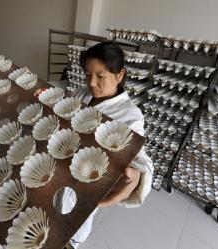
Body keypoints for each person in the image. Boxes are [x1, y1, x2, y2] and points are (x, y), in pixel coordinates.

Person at [62, 41, 154, 248]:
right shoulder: (81, 94)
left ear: (120, 75)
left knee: (72, 225)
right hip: (62, 168)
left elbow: (141, 158)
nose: (92, 83)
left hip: (87, 182)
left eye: (100, 76)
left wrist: (136, 175)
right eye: (88, 75)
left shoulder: (130, 116)